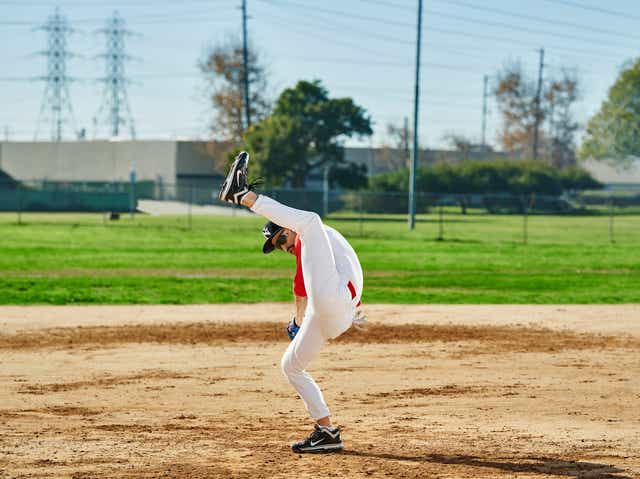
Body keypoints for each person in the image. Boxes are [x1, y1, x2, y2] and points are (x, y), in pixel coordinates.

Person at [218, 151, 364, 453]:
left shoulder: (311, 235)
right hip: (336, 312)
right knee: (291, 365)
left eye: (281, 239)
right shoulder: (312, 250)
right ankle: (327, 431)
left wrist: (298, 322)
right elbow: (308, 285)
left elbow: (301, 287)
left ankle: (243, 195)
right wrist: (303, 321)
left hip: (335, 302)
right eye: (279, 245)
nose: (284, 247)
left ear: (288, 229)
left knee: (310, 221)